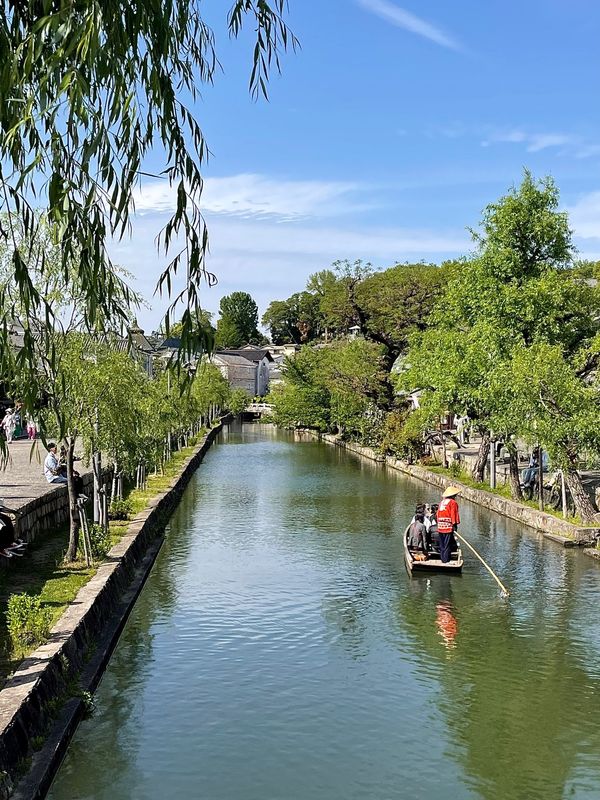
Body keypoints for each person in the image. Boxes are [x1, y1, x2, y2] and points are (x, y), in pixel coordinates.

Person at [437, 486, 461, 563]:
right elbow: (454, 514)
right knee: (447, 544)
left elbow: (437, 514)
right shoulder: (453, 503)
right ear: (453, 495)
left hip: (440, 525)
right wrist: (454, 525)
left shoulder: (441, 502)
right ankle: (446, 560)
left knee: (442, 543)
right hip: (448, 526)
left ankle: (442, 559)